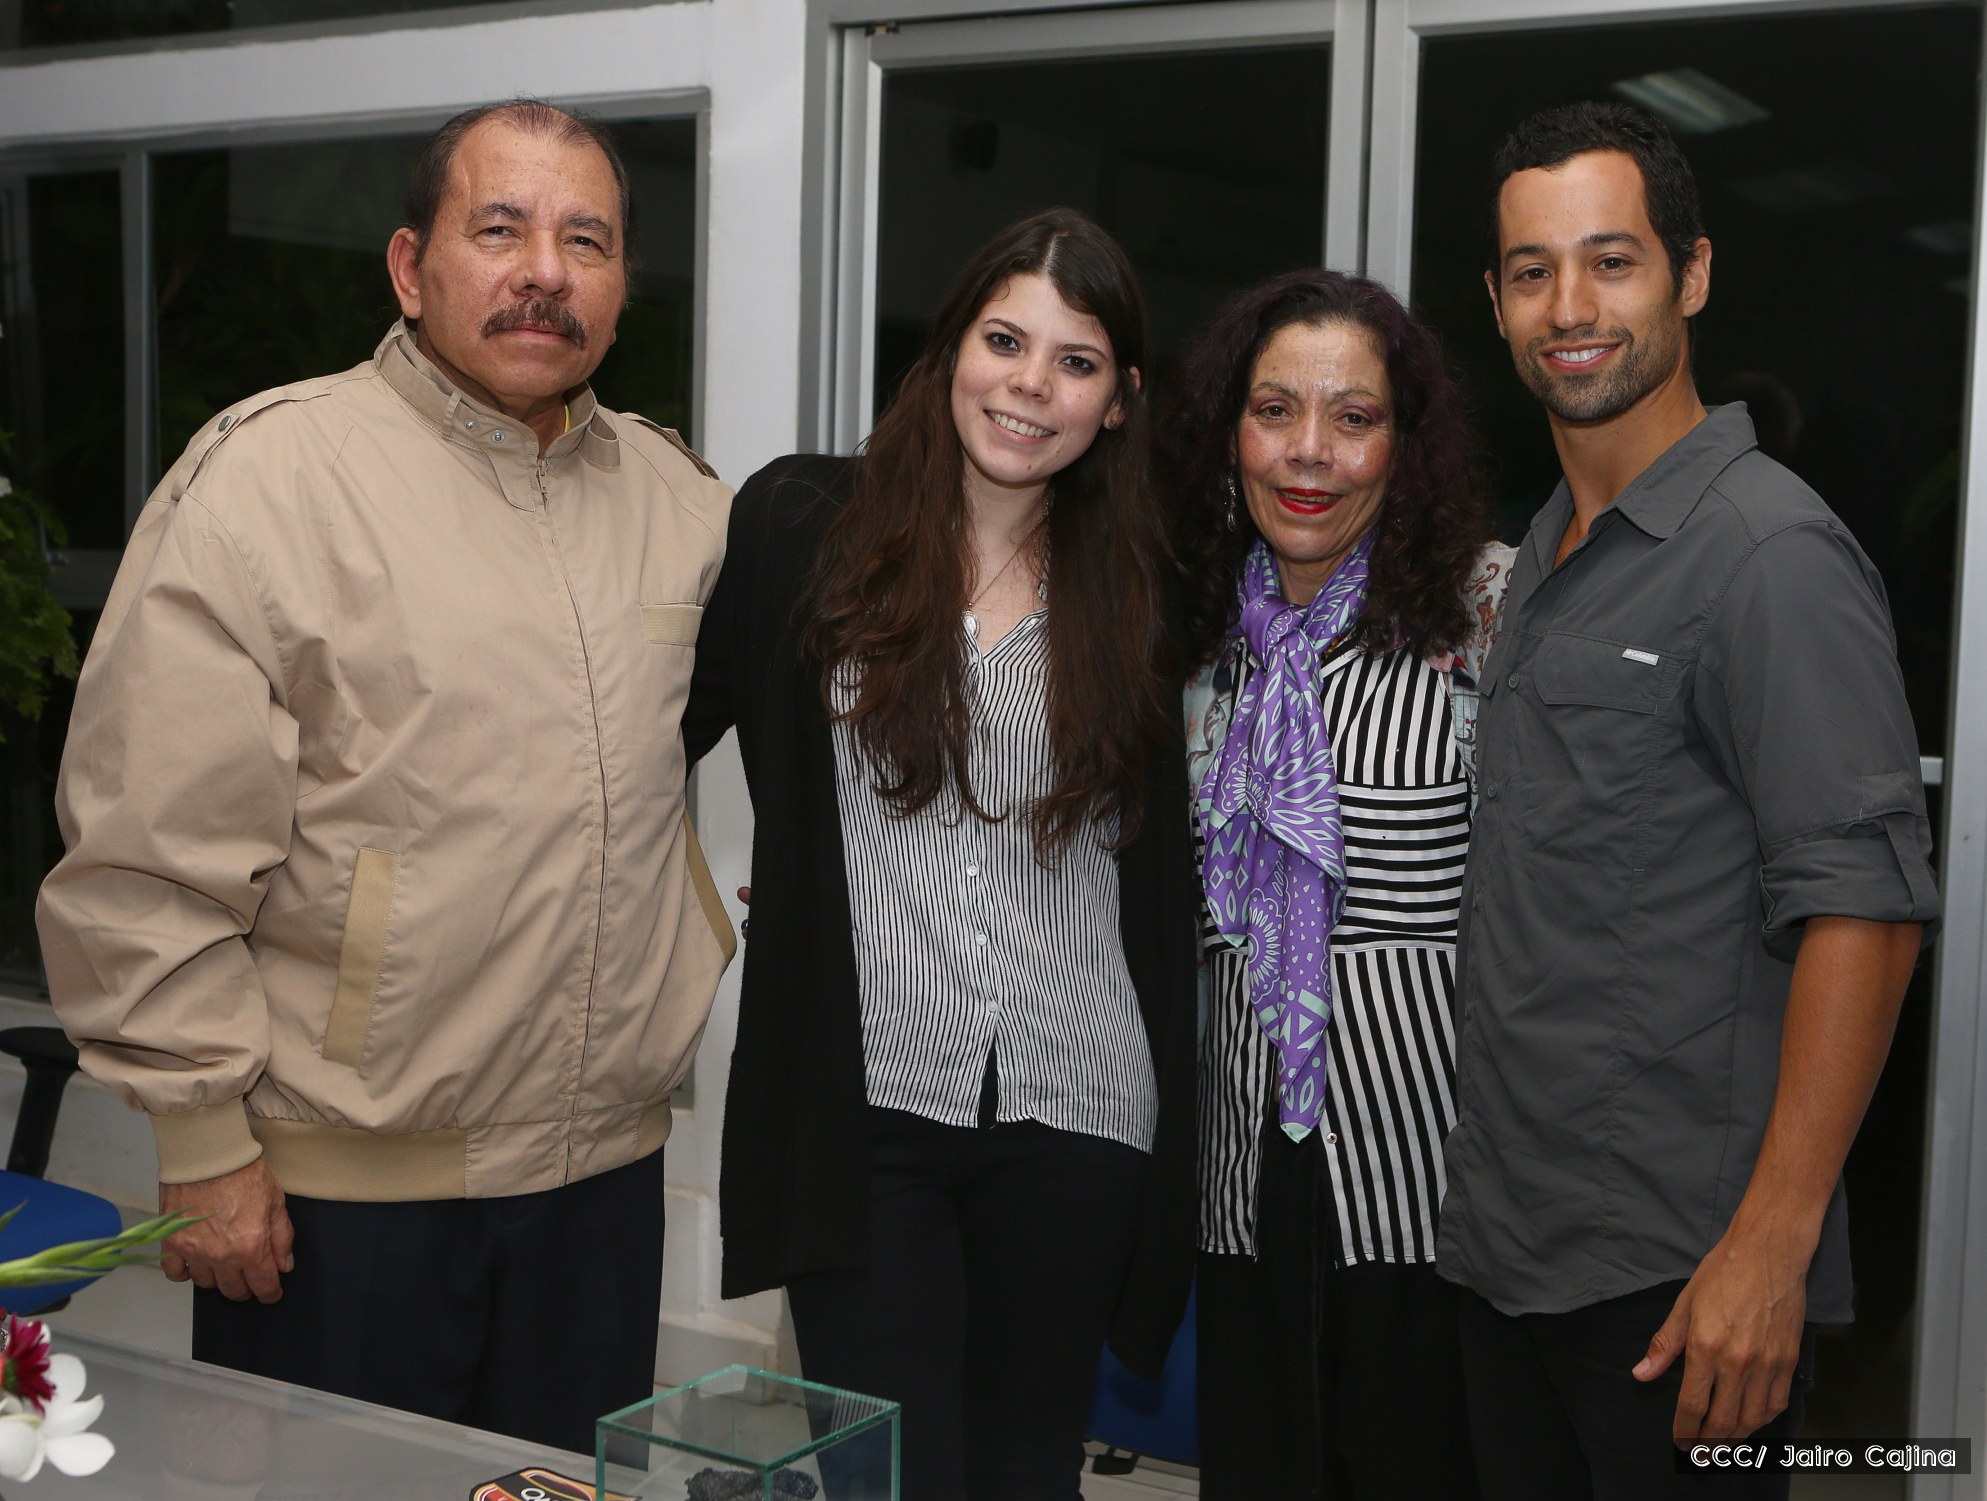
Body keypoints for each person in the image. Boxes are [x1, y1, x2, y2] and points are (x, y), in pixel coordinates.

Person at [35, 99, 735, 1451]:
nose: (545, 271)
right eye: (501, 229)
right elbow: (148, 844)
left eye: (586, 240)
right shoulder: (272, 479)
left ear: (620, 286)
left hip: (600, 1184)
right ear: (412, 267)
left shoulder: (680, 502)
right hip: (338, 1194)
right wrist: (202, 1139)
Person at [1440, 100, 1940, 1499]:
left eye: (1611, 261)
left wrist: (1770, 1248)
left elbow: (1863, 912)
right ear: (1494, 302)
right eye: (1531, 271)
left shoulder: (1766, 555)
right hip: (1506, 1256)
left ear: (1691, 274)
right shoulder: (1545, 551)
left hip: (1673, 1285)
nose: (1569, 307)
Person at [682, 207, 1197, 1501]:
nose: (1030, 386)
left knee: (1025, 1473)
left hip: (1078, 1107)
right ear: (950, 347)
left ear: (1118, 401)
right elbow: (650, 736)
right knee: (886, 1477)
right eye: (1004, 341)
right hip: (863, 1110)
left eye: (1075, 363)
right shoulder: (803, 523)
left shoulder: (1142, 584)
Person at [1166, 268, 1507, 1500]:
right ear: (1230, 433)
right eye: (1274, 411)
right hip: (1241, 1188)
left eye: (1354, 418)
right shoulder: (1193, 640)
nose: (1309, 451)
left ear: (1404, 446)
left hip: (1428, 1200)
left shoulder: (1487, 616)